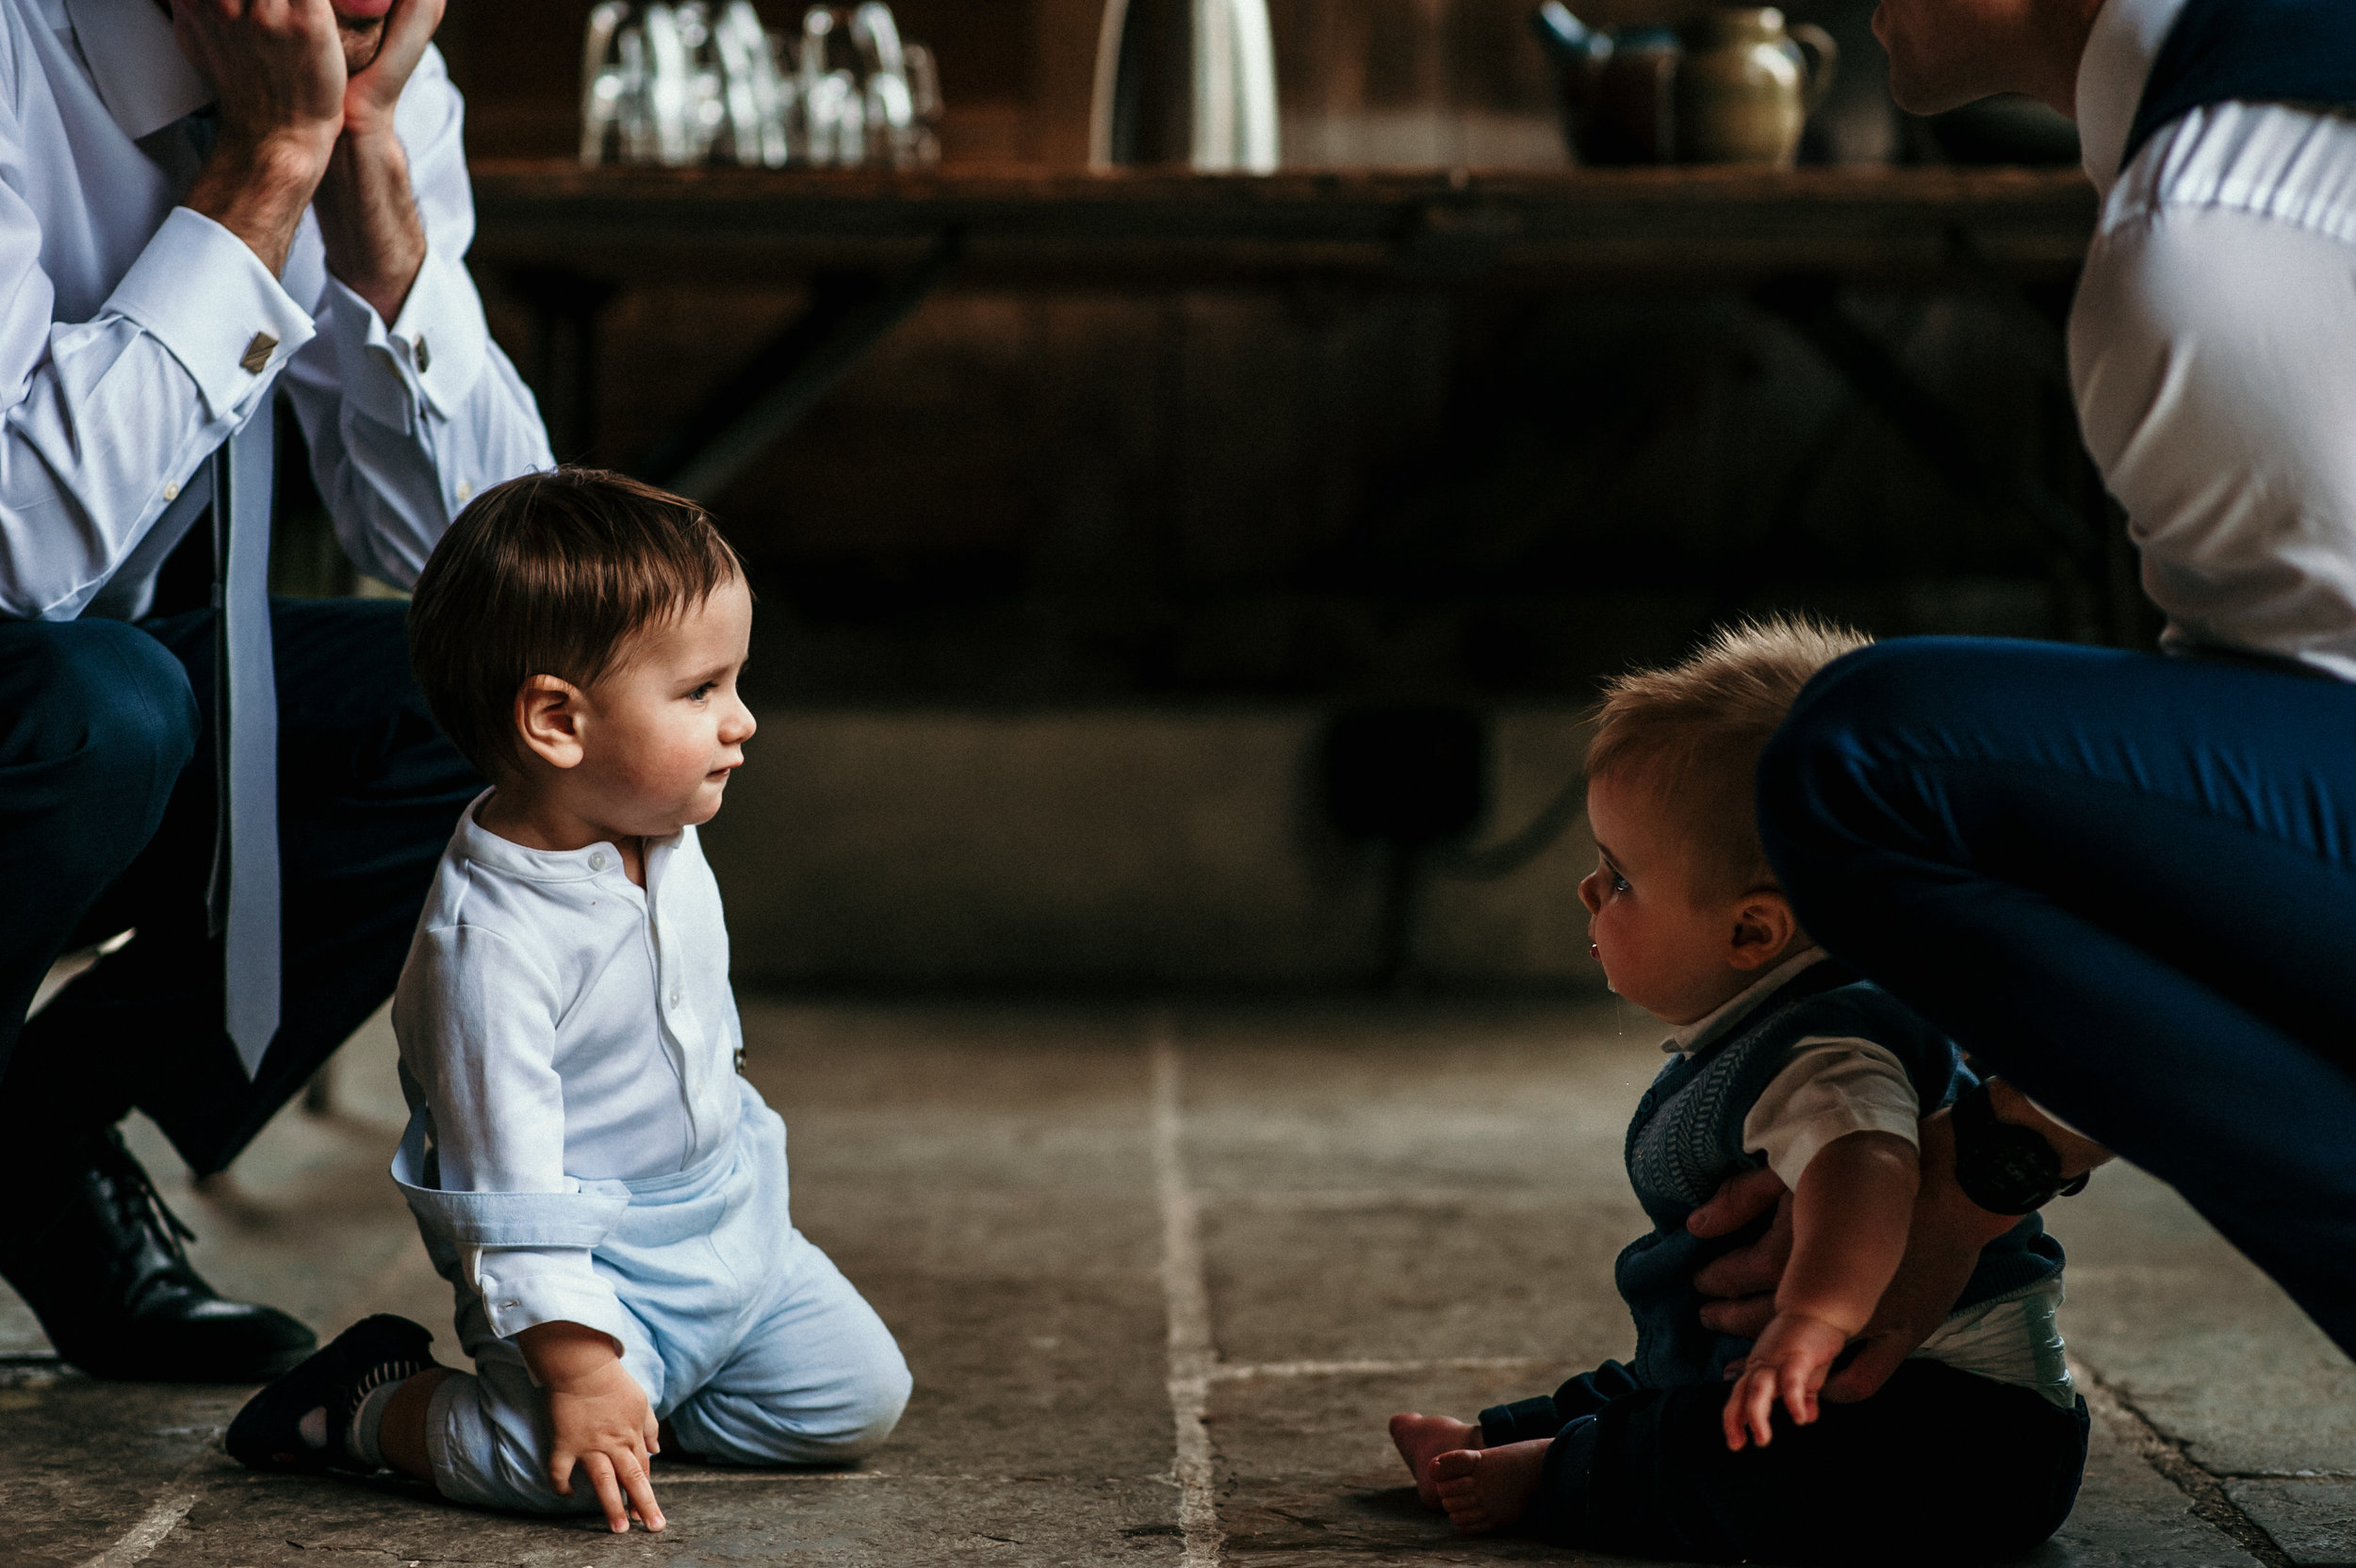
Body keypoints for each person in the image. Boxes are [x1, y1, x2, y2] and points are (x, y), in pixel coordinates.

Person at [1688, 0, 2356, 1398]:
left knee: (1862, 763)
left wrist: (1972, 1164)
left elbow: (2227, 861)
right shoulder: (2252, 116)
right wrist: (1985, 1160)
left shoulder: (2208, 234)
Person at [0, 0, 551, 1382]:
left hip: (93, 700)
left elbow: (513, 577)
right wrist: (261, 171)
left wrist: (378, 228)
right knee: (106, 710)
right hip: (55, 696)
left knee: (512, 712)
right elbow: (17, 547)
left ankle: (29, 1143)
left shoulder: (365, 68)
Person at [224, 470, 910, 1530]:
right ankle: (368, 1404)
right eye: (701, 691)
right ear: (556, 721)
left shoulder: (649, 823)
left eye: (735, 682)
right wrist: (582, 1371)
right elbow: (507, 1190)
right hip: (586, 1270)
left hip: (734, 1230)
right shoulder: (486, 948)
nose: (743, 721)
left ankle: (650, 1401)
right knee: (537, 1468)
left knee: (854, 1400)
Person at [1386, 620, 2089, 1565]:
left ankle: (1556, 1474)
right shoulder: (1778, 1024)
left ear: (1753, 931)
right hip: (1850, 1386)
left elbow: (1870, 1163)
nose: (1588, 891)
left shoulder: (1829, 1048)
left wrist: (1812, 1320)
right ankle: (1503, 1433)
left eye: (1620, 877)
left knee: (1727, 1451)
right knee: (1661, 1381)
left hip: (1953, 1430)